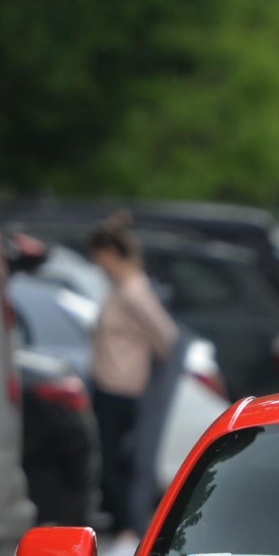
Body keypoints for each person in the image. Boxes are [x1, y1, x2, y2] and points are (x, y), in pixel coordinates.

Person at [85, 213, 177, 534]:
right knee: (110, 461)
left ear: (110, 254)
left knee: (113, 464)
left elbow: (165, 336)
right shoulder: (121, 288)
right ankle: (123, 526)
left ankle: (130, 529)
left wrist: (146, 370)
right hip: (108, 384)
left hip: (121, 387)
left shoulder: (134, 292)